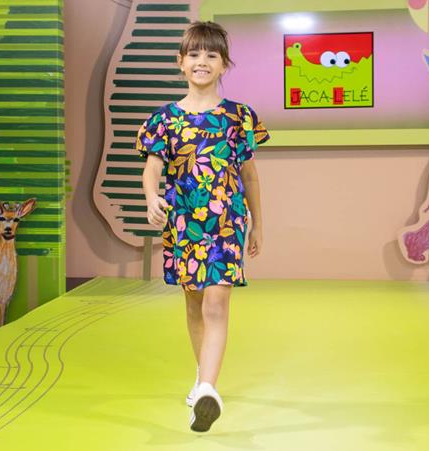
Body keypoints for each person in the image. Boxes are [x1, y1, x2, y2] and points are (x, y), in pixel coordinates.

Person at [137, 21, 269, 432]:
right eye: (194, 54)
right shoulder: (163, 119)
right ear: (180, 63)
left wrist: (258, 224)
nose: (202, 61)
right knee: (194, 302)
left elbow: (249, 175)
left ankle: (209, 388)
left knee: (216, 302)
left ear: (224, 65)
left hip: (227, 221)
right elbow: (152, 169)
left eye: (212, 55)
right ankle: (202, 378)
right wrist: (151, 198)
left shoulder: (239, 117)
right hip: (183, 222)